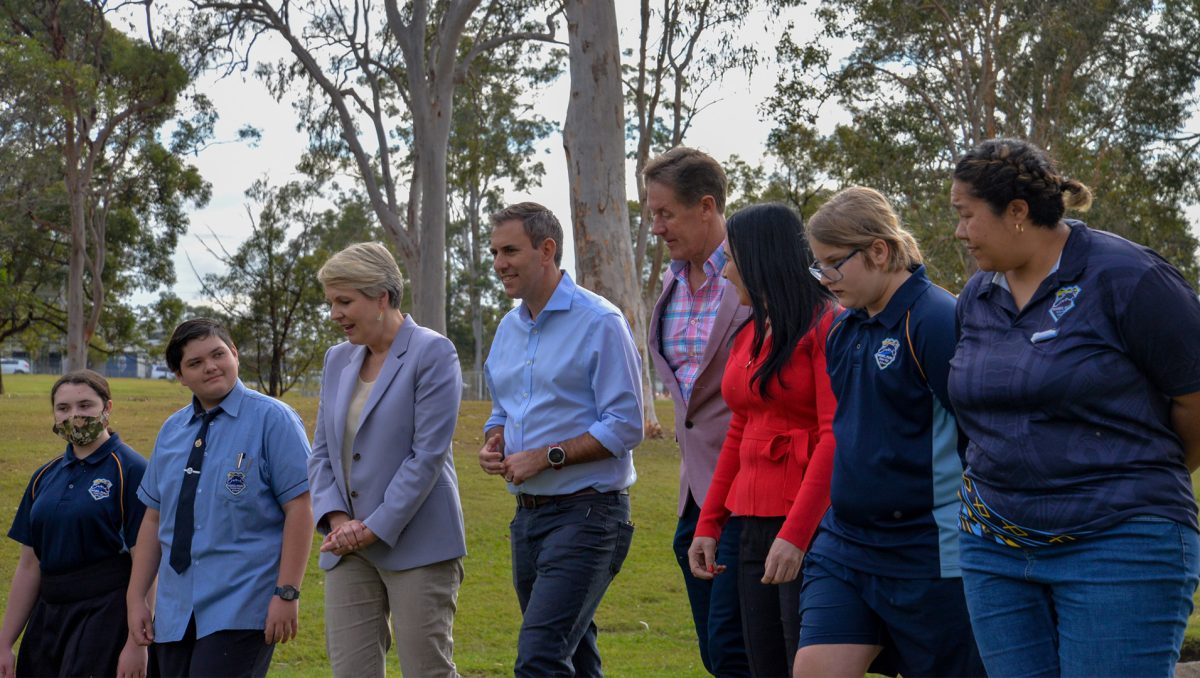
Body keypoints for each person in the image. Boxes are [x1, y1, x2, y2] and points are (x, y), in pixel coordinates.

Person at [948, 138, 1200, 676]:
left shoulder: (1128, 278)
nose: (959, 232)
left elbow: (1195, 398)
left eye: (967, 216)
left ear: (1017, 213)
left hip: (1120, 542)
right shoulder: (977, 296)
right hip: (994, 544)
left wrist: (1143, 476)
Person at [794, 187, 984, 678]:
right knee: (813, 669)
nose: (825, 279)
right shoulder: (843, 328)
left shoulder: (937, 320)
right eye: (818, 266)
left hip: (929, 551)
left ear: (879, 251)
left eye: (833, 263)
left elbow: (983, 435)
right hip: (845, 545)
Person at [478, 202, 642, 677]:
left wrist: (545, 458)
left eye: (510, 250)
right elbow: (502, 408)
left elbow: (626, 425)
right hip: (527, 522)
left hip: (589, 515)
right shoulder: (507, 330)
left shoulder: (600, 322)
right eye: (494, 252)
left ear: (547, 250)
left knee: (540, 657)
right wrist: (495, 439)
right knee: (573, 657)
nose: (499, 263)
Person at [687, 203, 838, 677]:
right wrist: (709, 524)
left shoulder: (825, 326)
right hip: (750, 522)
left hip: (806, 525)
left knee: (801, 659)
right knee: (757, 658)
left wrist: (796, 535)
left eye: (732, 258)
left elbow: (834, 436)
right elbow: (739, 430)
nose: (727, 272)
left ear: (761, 259)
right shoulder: (749, 334)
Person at [309, 242, 466, 677]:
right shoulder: (337, 359)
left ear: (381, 297)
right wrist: (340, 522)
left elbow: (427, 456)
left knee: (425, 670)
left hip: (417, 542)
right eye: (331, 303)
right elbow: (321, 450)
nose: (335, 314)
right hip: (346, 547)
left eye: (345, 301)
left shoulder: (433, 353)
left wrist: (372, 526)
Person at [126, 318, 313, 677]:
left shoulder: (274, 419)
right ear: (179, 376)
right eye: (195, 363)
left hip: (243, 604)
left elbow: (301, 507)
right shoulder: (172, 430)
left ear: (235, 354)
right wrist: (136, 598)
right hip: (175, 609)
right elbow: (153, 519)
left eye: (218, 354)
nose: (210, 366)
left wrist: (287, 593)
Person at [645, 146, 751, 676]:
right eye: (652, 214)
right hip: (694, 497)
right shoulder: (670, 283)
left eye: (666, 213)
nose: (657, 227)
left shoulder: (758, 277)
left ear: (706, 207)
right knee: (717, 654)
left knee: (740, 653)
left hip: (753, 494)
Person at [0, 370, 148, 678]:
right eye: (63, 408)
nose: (75, 416)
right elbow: (29, 565)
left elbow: (147, 565)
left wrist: (137, 644)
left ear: (107, 408)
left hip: (105, 615)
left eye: (85, 406)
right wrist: (4, 642)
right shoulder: (45, 476)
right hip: (49, 615)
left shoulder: (132, 470)